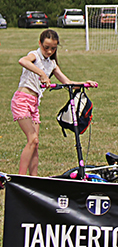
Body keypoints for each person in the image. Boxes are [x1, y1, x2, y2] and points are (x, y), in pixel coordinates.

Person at [11, 29, 97, 176]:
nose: (49, 51)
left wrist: (84, 83)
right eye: (46, 47)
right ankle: (20, 178)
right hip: (22, 100)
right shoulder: (35, 55)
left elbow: (67, 82)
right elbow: (22, 61)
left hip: (34, 103)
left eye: (53, 48)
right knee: (32, 139)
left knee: (35, 144)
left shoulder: (51, 63)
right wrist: (42, 74)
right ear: (40, 44)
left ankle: (34, 179)